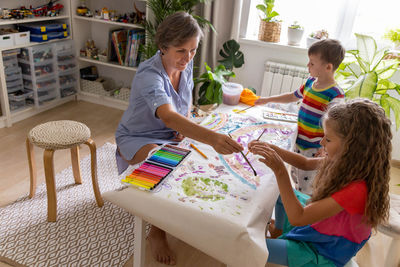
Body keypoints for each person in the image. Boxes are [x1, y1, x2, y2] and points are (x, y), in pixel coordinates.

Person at [115, 12, 243, 265]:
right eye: (181, 51)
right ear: (163, 47)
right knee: (161, 163)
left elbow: (183, 106)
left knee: (197, 165)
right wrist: (211, 138)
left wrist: (186, 127)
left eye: (193, 50)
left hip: (169, 134)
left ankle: (178, 213)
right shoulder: (148, 75)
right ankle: (156, 231)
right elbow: (169, 116)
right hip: (137, 136)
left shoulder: (185, 66)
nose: (188, 57)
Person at [248, 99, 391, 266]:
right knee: (279, 192)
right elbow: (305, 163)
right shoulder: (350, 161)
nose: (322, 143)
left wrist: (280, 170)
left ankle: (282, 236)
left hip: (323, 250)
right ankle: (278, 230)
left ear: (352, 147)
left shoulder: (357, 190)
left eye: (328, 140)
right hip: (322, 226)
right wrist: (269, 147)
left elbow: (298, 218)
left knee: (251, 245)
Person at [256, 39, 345, 195]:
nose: (307, 66)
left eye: (311, 63)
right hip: (299, 142)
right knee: (296, 176)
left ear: (328, 67)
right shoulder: (311, 82)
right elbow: (292, 96)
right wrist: (267, 99)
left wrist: (325, 149)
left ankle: (305, 211)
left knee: (308, 186)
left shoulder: (336, 94)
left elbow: (335, 127)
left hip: (315, 148)